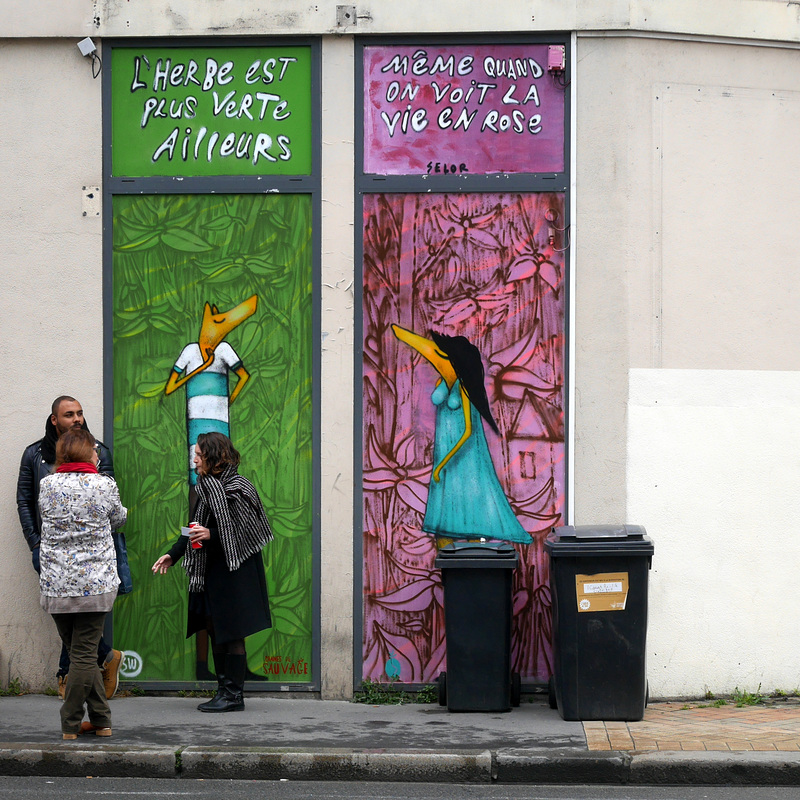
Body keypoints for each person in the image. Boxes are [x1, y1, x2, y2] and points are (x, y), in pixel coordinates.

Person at [152, 431, 273, 712]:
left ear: (213, 457)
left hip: (236, 572)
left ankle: (234, 696)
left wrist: (212, 535)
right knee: (215, 629)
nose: (194, 459)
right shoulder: (207, 488)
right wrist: (174, 553)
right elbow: (195, 526)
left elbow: (247, 533)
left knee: (232, 633)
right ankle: (223, 691)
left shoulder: (239, 487)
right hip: (211, 571)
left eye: (198, 454)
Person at [16, 396, 128, 699]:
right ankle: (105, 659)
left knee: (79, 625)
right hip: (51, 551)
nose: (77, 419)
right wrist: (35, 543)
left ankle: (68, 678)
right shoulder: (35, 455)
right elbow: (25, 502)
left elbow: (110, 506)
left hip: (92, 556)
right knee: (71, 622)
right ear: (55, 420)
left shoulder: (99, 451)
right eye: (69, 415)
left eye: (80, 413)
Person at [391, 324, 533, 546]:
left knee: (471, 523)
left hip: (465, 464)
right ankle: (452, 578)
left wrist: (441, 465)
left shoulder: (465, 389)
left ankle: (473, 577)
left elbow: (468, 431)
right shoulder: (442, 382)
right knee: (444, 530)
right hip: (445, 459)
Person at [38, 427, 127, 740]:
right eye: (93, 450)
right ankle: (70, 723)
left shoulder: (46, 485)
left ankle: (101, 720)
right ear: (85, 454)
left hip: (57, 584)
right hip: (94, 585)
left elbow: (43, 518)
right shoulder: (105, 485)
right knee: (84, 656)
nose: (97, 454)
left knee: (79, 654)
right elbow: (118, 520)